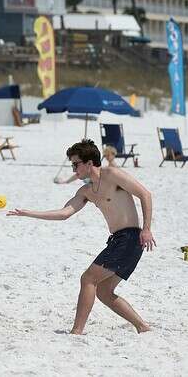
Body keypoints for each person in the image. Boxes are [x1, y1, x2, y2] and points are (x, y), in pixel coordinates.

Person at [8, 139, 155, 335]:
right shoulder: (86, 191)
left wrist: (146, 229)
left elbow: (145, 194)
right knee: (103, 291)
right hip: (118, 241)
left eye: (75, 164)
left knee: (88, 279)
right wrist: (29, 213)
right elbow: (64, 213)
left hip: (130, 238)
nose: (73, 169)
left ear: (88, 163)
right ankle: (142, 327)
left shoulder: (111, 174)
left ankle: (77, 331)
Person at [54, 145, 119, 184]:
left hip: (95, 180)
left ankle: (66, 181)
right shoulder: (111, 164)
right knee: (80, 172)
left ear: (113, 155)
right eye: (105, 155)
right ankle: (66, 181)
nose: (106, 157)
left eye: (108, 155)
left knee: (79, 173)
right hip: (94, 179)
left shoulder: (113, 165)